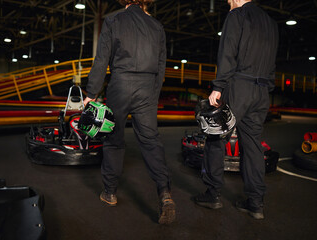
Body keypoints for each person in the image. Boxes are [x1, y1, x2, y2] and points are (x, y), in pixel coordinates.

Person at [83, 0, 175, 224]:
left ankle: (110, 192)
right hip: (147, 86)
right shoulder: (157, 26)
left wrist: (91, 93)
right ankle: (164, 193)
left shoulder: (114, 20)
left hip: (120, 85)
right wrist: (154, 92)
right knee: (151, 140)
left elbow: (102, 59)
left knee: (113, 139)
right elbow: (161, 65)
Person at [194, 0, 278, 220]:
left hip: (238, 86)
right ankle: (255, 203)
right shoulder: (271, 23)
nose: (228, 2)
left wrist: (218, 86)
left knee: (215, 138)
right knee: (252, 146)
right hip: (261, 92)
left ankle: (213, 195)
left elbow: (228, 53)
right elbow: (272, 62)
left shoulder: (236, 15)